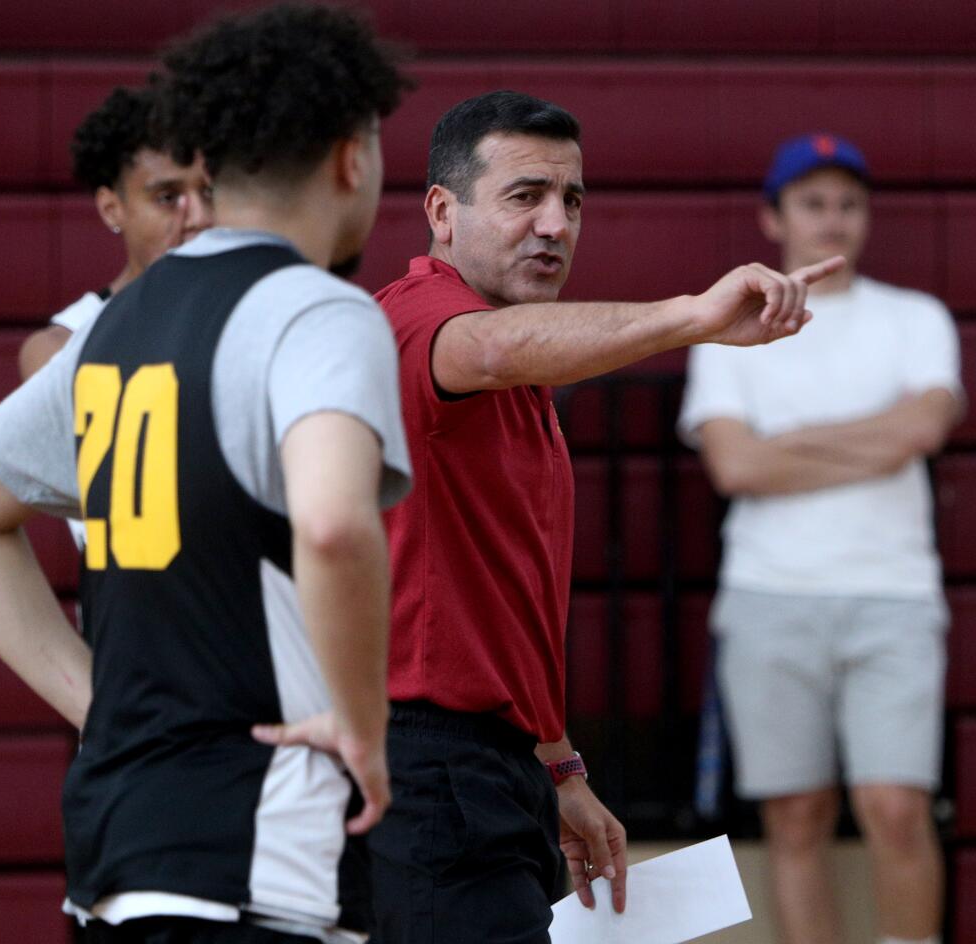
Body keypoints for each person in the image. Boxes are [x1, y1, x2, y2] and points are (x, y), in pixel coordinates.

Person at [257, 90, 843, 944]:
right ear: (441, 213)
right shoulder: (422, 317)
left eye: (571, 201)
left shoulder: (520, 371)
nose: (555, 224)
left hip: (492, 766)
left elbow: (500, 604)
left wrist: (558, 764)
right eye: (524, 195)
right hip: (427, 765)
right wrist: (691, 319)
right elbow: (488, 349)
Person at [0, 5, 412, 943]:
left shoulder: (115, 323)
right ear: (353, 155)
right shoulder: (317, 310)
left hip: (118, 849)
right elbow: (335, 526)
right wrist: (363, 724)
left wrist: (95, 705)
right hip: (256, 850)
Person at [678, 133, 962, 944]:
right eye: (813, 203)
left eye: (848, 203)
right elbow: (735, 465)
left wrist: (790, 444)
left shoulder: (916, 318)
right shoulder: (730, 327)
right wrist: (874, 440)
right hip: (769, 595)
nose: (832, 219)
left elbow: (926, 427)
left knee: (897, 808)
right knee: (795, 816)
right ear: (774, 219)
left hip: (894, 593)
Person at [17, 83, 214, 382]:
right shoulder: (62, 347)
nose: (199, 217)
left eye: (210, 192)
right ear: (111, 209)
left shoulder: (260, 310)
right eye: (167, 198)